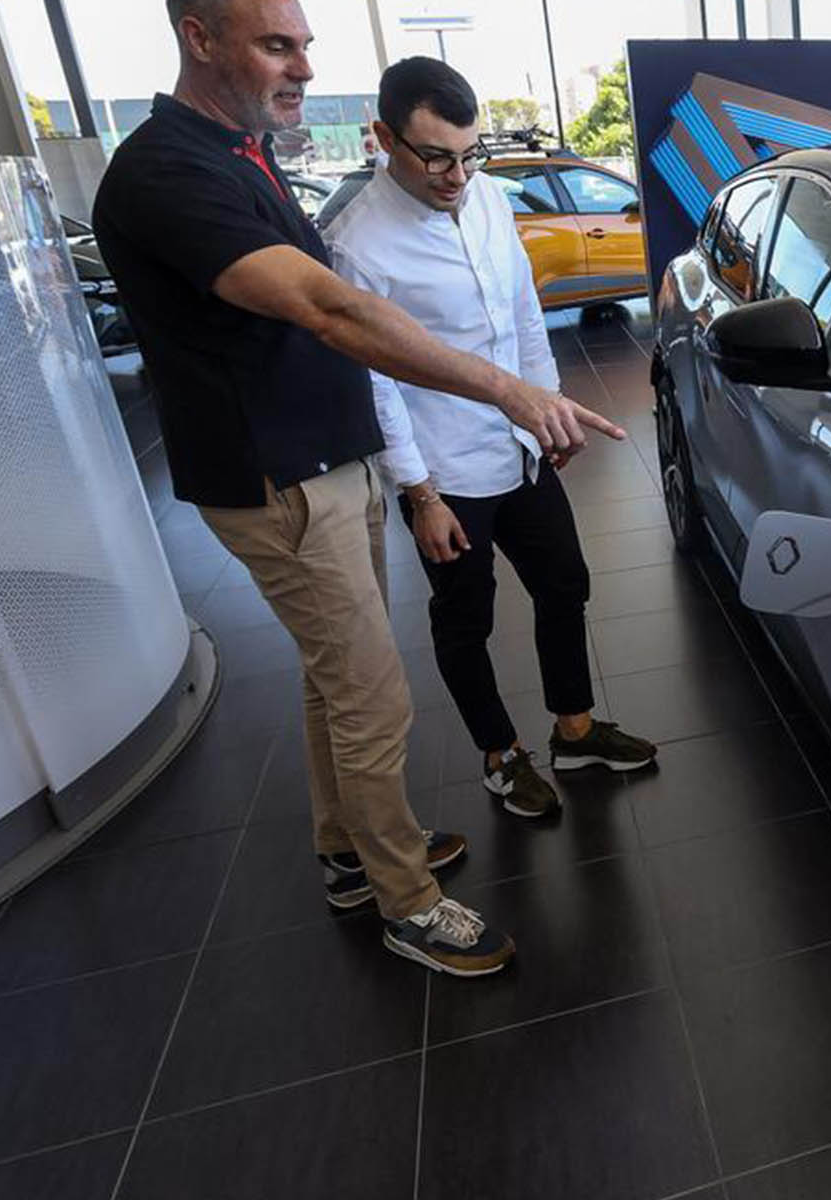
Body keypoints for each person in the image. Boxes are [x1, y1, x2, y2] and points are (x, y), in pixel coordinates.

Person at [92, 0, 623, 976]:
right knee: (374, 696)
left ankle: (349, 854)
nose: (298, 66)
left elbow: (499, 308)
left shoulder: (242, 154)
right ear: (198, 37)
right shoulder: (168, 170)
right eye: (273, 44)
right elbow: (332, 310)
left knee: (334, 682)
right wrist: (502, 394)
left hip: (327, 469)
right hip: (280, 477)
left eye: (302, 45)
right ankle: (407, 900)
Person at [325, 58, 658, 817]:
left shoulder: (485, 203)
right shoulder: (356, 244)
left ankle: (573, 730)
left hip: (520, 448)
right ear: (383, 138)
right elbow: (373, 382)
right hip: (442, 474)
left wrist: (549, 415)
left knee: (564, 584)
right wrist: (419, 494)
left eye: (469, 154)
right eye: (436, 156)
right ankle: (501, 755)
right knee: (466, 619)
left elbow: (521, 315)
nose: (456, 175)